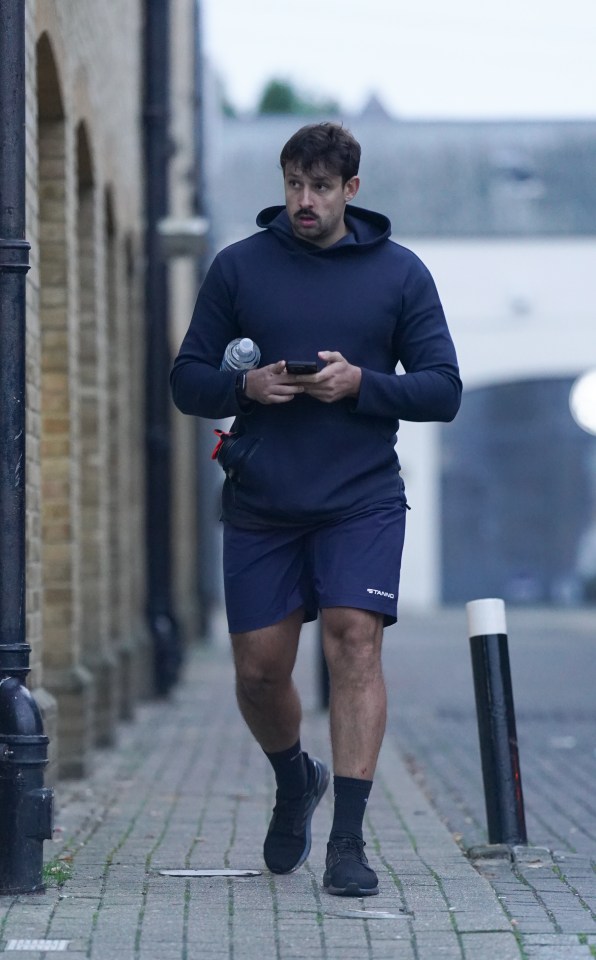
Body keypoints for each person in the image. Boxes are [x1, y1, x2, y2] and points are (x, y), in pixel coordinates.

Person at [170, 122, 462, 897]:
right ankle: (296, 777)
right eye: (294, 183)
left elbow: (443, 390)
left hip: (361, 498)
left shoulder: (400, 275)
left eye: (321, 187)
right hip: (264, 499)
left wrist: (361, 383)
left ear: (351, 191)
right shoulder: (239, 268)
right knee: (260, 675)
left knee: (354, 645)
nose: (304, 200)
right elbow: (185, 378)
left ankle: (348, 845)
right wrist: (244, 387)